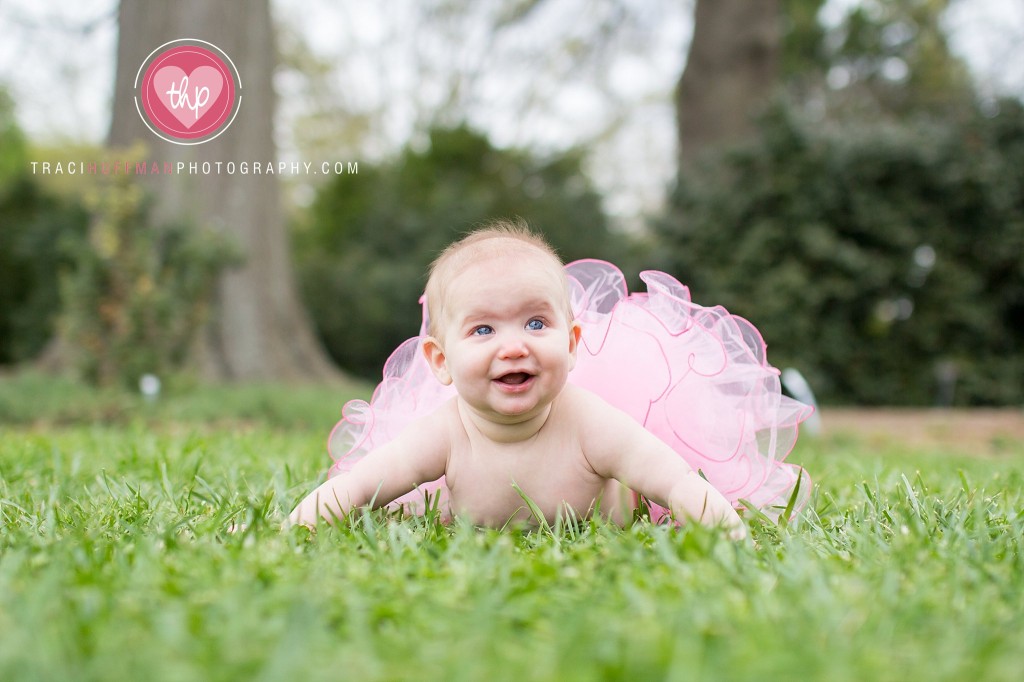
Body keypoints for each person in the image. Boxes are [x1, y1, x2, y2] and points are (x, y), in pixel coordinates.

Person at [289, 220, 811, 537]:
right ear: (441, 361)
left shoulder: (590, 422)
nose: (513, 345)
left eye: (536, 323)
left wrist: (728, 531)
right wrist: (299, 526)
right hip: (472, 509)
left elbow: (675, 481)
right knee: (417, 507)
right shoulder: (444, 432)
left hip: (615, 508)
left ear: (570, 342)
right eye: (483, 328)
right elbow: (358, 485)